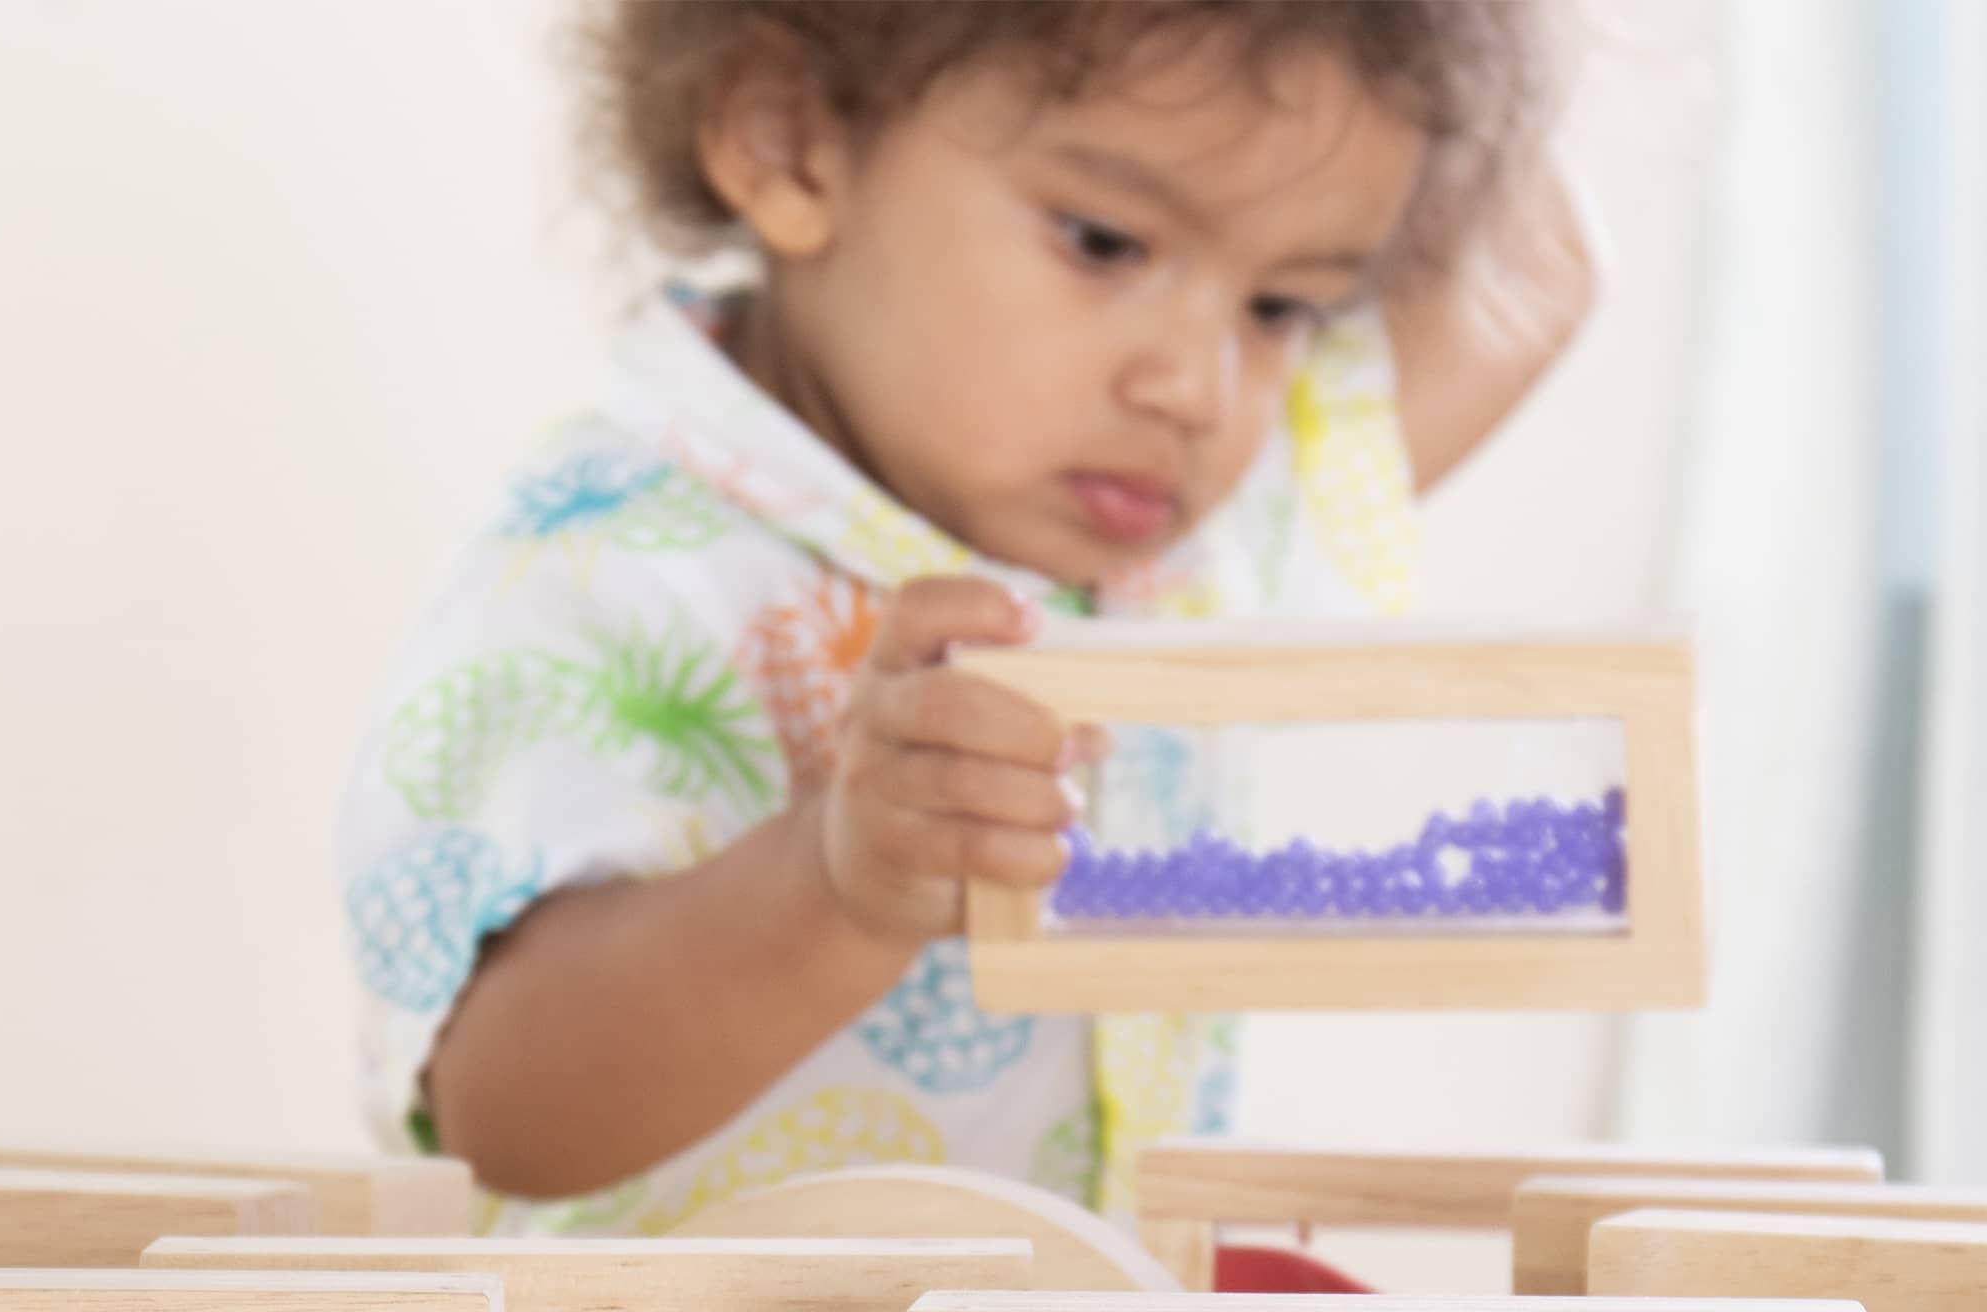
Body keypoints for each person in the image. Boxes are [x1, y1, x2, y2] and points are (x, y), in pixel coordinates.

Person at [338, 0, 1595, 1234]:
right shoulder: (609, 563)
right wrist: (833, 889)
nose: (1193, 388)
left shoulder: (1186, 551)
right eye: (1105, 241)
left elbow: (1538, 272)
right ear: (788, 139)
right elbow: (501, 1111)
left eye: (1280, 307)